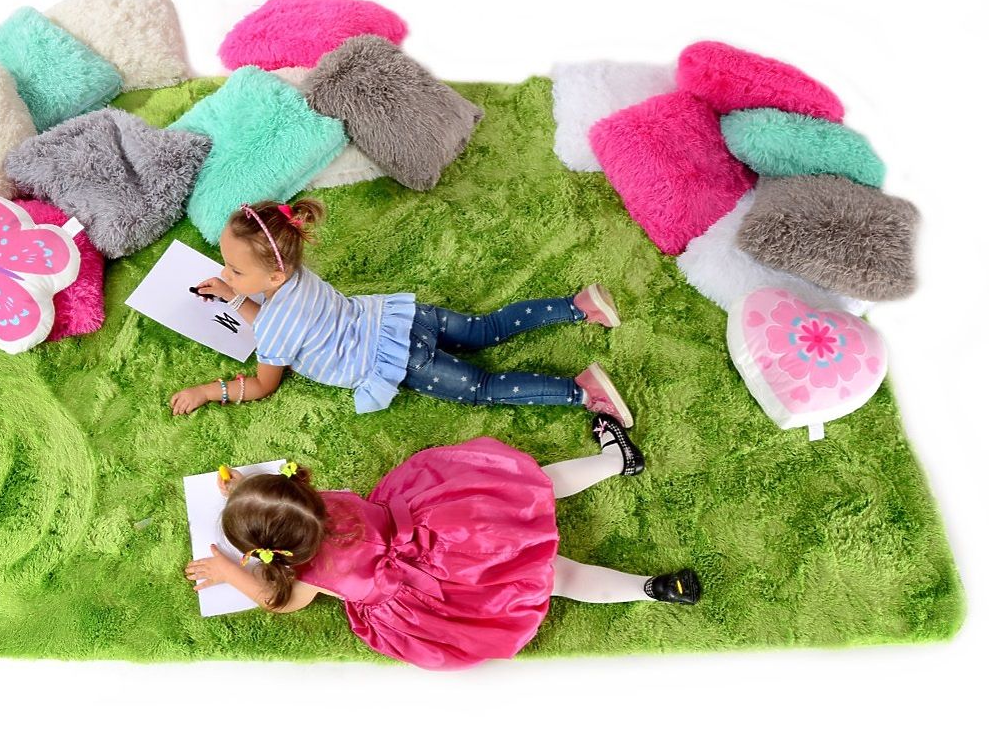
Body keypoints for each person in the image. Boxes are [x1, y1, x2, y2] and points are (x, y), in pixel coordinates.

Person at [184, 415, 701, 670]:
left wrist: (231, 572)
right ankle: (616, 460)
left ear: (274, 555)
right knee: (525, 484)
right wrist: (251, 494)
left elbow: (280, 601)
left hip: (442, 584)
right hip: (444, 526)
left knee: (555, 578)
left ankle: (650, 588)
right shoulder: (322, 501)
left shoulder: (313, 576)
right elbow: (285, 509)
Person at [170, 199, 634, 425]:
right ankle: (578, 305)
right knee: (487, 327)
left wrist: (209, 391)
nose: (226, 273)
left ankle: (580, 392)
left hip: (401, 361)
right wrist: (235, 295)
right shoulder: (296, 275)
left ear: (274, 275)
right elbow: (283, 324)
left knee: (483, 388)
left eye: (234, 269)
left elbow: (263, 384)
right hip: (402, 320)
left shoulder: (275, 331)